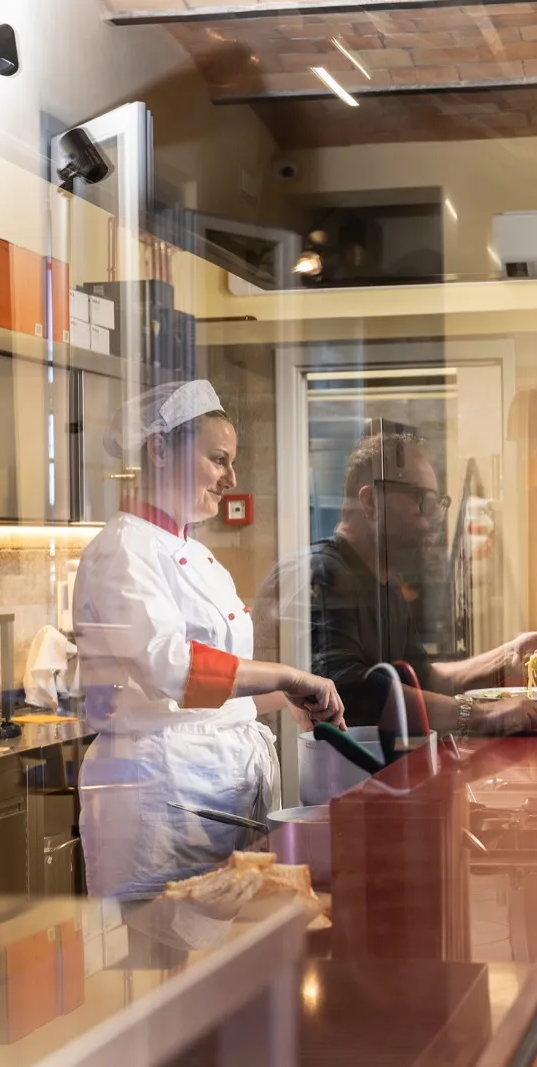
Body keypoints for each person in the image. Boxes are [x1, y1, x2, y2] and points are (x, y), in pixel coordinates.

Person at [75, 380, 344, 899]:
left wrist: (280, 697)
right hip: (162, 796)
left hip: (216, 794)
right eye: (218, 460)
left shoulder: (194, 553)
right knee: (164, 956)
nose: (231, 478)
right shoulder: (123, 550)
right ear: (159, 450)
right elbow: (175, 671)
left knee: (229, 954)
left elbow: (213, 690)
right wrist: (289, 675)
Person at [258, 431, 537, 736]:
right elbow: (348, 692)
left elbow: (424, 679)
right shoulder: (320, 573)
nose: (435, 519)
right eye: (424, 501)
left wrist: (505, 657)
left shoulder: (384, 582)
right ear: (370, 502)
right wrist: (479, 716)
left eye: (438, 504)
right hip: (337, 781)